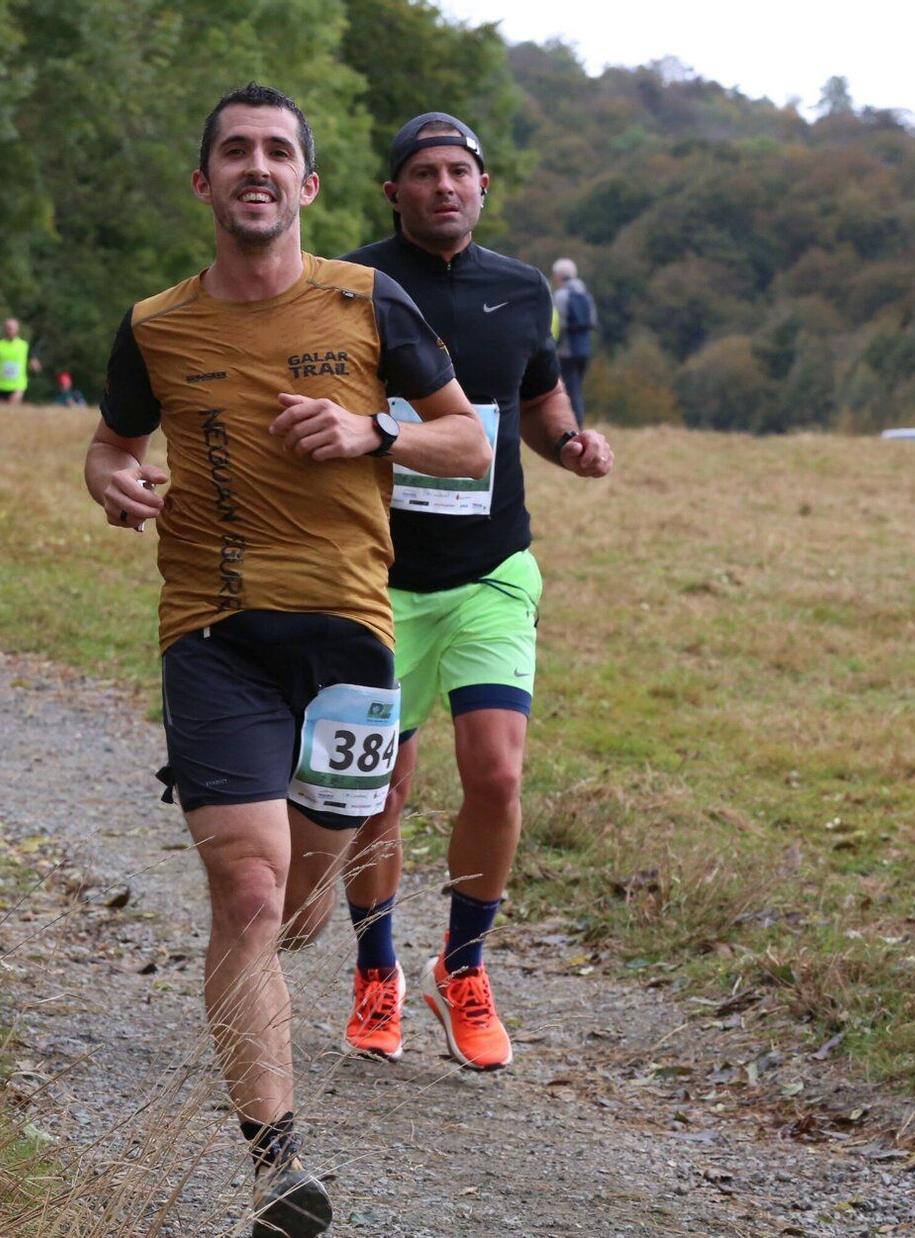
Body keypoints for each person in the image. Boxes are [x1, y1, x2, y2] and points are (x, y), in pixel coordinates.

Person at [85, 83, 489, 1238]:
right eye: (234, 151)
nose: (254, 166)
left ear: (306, 184)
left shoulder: (367, 299)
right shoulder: (155, 325)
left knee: (305, 899)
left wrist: (373, 428)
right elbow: (110, 444)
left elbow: (466, 438)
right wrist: (110, 477)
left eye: (276, 151)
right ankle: (276, 1166)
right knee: (250, 888)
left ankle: (297, 947)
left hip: (350, 632)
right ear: (203, 182)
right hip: (211, 630)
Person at [336, 114, 614, 1070]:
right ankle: (375, 971)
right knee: (382, 787)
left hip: (491, 568)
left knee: (497, 775)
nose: (444, 186)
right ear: (394, 192)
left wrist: (570, 442)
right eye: (424, 173)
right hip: (376, 576)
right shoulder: (350, 285)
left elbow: (536, 397)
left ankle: (462, 968)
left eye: (460, 171)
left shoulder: (522, 288)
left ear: (483, 186)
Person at [550, 256, 596, 422]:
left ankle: (575, 425)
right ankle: (577, 422)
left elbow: (558, 323)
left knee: (569, 390)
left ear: (559, 276)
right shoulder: (586, 295)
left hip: (567, 351)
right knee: (577, 388)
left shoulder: (561, 296)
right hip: (584, 349)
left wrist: (552, 346)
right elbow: (592, 321)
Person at [0, 317, 38, 403]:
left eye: (13, 328)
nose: (10, 330)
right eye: (8, 328)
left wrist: (35, 368)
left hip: (18, 385)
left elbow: (33, 362)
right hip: (1, 384)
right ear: (5, 329)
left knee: (12, 407)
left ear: (17, 329)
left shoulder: (24, 346)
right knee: (1, 410)